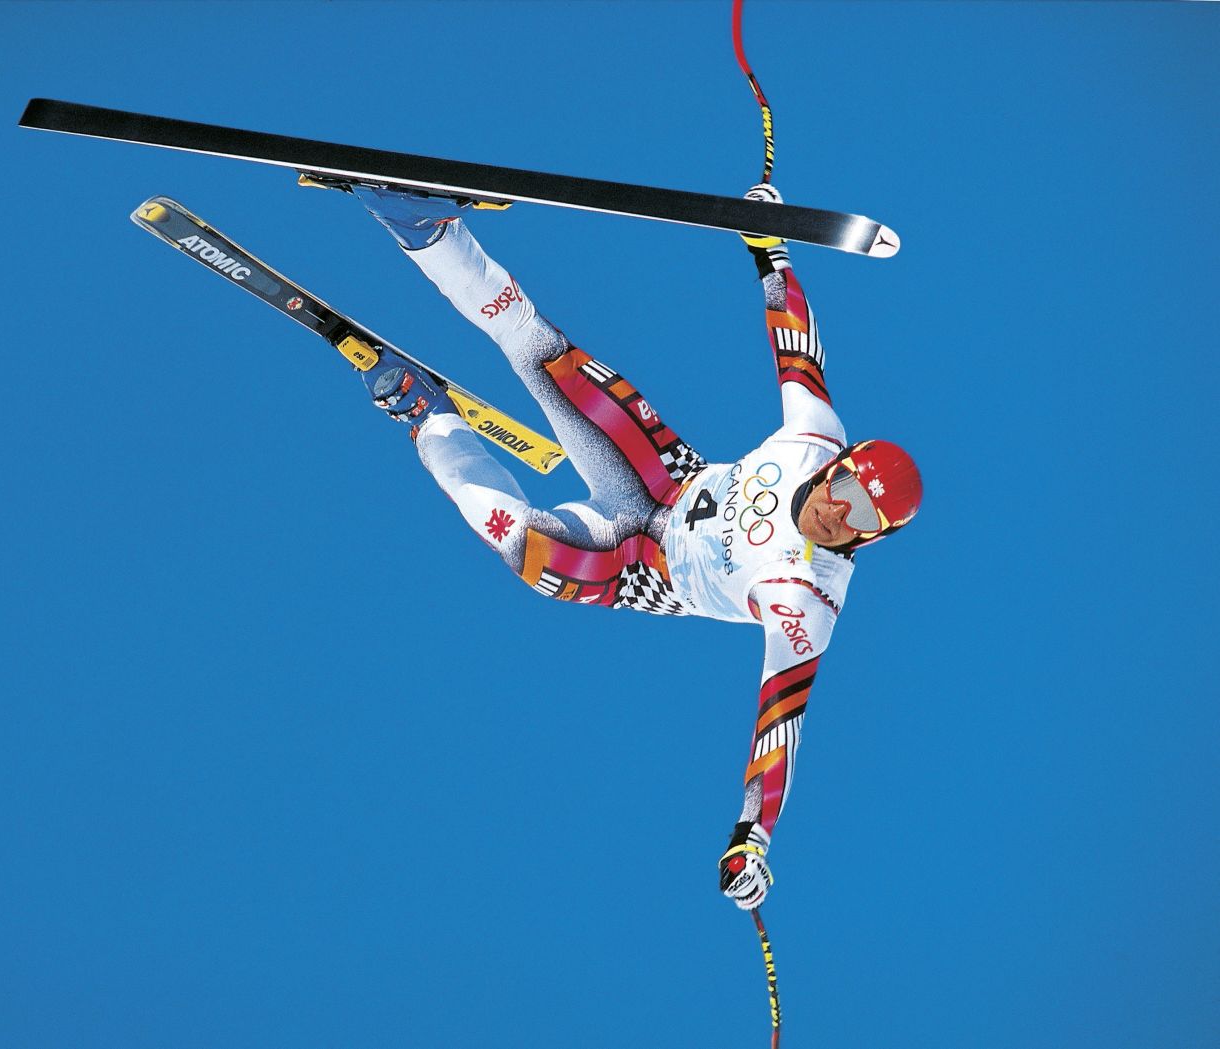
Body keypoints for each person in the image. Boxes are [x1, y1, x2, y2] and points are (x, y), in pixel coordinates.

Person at [342, 182, 922, 911]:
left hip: (640, 568)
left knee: (530, 553)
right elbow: (795, 347)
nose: (843, 513)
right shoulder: (814, 437)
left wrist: (753, 835)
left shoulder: (809, 598)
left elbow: (779, 724)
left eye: (866, 520)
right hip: (663, 476)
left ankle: (429, 418)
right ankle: (424, 229)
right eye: (850, 489)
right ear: (839, 464)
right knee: (542, 350)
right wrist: (767, 244)